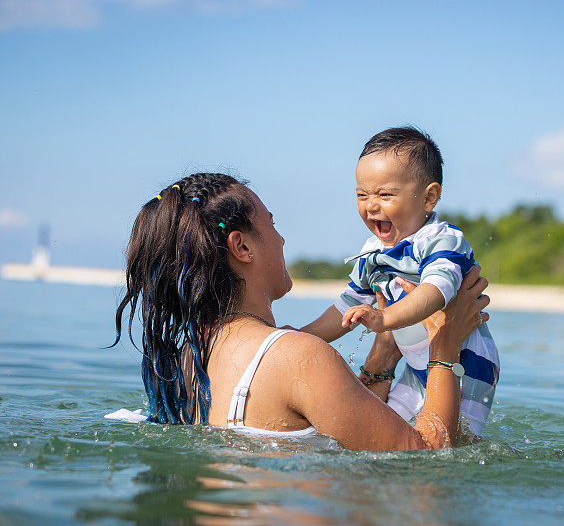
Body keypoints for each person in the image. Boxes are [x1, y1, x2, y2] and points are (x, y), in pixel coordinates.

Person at [110, 172, 490, 451]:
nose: (282, 238)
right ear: (242, 248)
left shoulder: (185, 366)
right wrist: (445, 347)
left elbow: (358, 439)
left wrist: (382, 358)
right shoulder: (297, 356)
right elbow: (426, 461)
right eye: (271, 224)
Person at [300, 127, 500, 435]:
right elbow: (345, 307)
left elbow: (436, 292)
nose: (371, 205)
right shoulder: (371, 254)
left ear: (429, 197)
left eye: (385, 194)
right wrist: (300, 337)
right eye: (361, 194)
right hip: (414, 365)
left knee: (456, 440)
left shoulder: (441, 241)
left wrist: (384, 317)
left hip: (467, 364)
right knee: (382, 430)